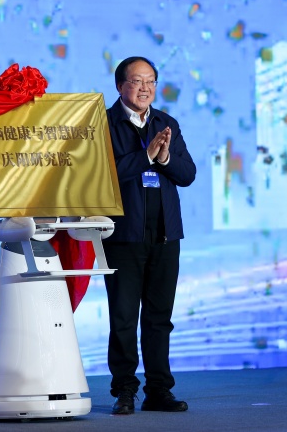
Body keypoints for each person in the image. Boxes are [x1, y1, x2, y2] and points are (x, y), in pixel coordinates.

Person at [104, 56, 196, 415]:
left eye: (151, 81)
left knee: (159, 319)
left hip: (165, 236)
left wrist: (164, 157)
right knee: (123, 318)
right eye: (137, 81)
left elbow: (187, 174)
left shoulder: (166, 123)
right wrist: (145, 156)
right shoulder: (104, 124)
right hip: (122, 237)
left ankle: (158, 390)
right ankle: (125, 391)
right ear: (120, 86)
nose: (145, 88)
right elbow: (104, 175)